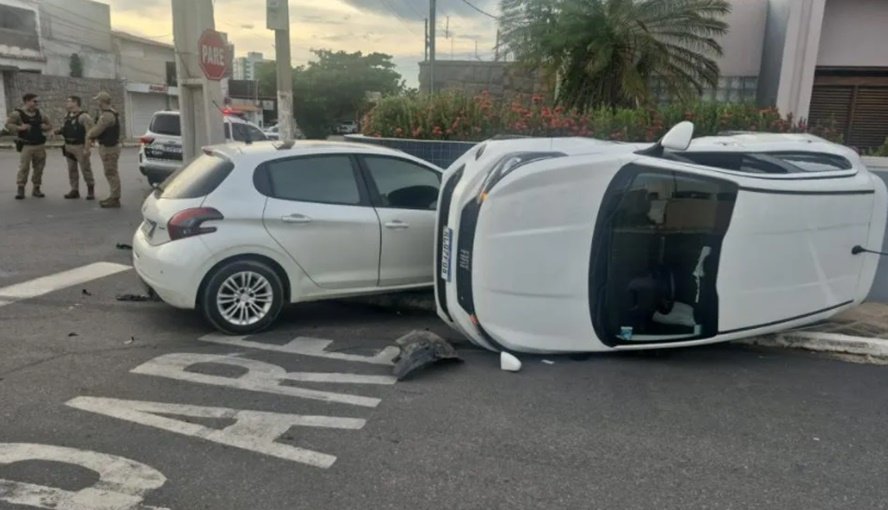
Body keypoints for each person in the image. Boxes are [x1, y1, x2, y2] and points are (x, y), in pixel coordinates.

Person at [5, 93, 52, 200]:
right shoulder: (17, 114)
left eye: (37, 102)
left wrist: (45, 127)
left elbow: (49, 125)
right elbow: (8, 125)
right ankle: (21, 189)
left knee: (39, 168)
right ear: (27, 101)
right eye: (34, 101)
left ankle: (36, 188)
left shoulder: (40, 113)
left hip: (39, 145)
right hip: (26, 145)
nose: (36, 104)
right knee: (24, 168)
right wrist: (20, 128)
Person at [55, 96, 96, 200]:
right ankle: (74, 189)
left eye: (69, 101)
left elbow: (89, 133)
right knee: (71, 169)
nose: (67, 104)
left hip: (80, 145)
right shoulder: (67, 115)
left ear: (75, 103)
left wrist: (87, 148)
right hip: (69, 145)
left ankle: (90, 189)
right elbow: (65, 128)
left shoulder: (84, 117)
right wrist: (57, 131)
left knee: (85, 168)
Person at [86, 91, 122, 208]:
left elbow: (97, 130)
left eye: (98, 100)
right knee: (110, 172)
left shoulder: (107, 115)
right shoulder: (110, 113)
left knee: (111, 172)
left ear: (102, 101)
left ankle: (115, 197)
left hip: (109, 148)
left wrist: (89, 135)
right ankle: (113, 196)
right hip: (109, 147)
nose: (97, 103)